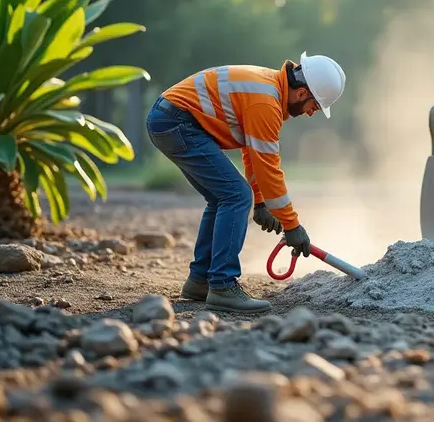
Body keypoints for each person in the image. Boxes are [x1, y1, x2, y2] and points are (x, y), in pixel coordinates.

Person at [145, 52, 346, 313]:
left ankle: (200, 280)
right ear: (301, 93)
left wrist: (261, 203)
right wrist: (292, 225)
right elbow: (269, 170)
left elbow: (252, 153)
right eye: (315, 106)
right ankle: (222, 286)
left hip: (169, 119)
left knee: (222, 197)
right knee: (236, 196)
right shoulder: (266, 103)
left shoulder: (268, 87)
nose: (310, 114)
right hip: (177, 123)